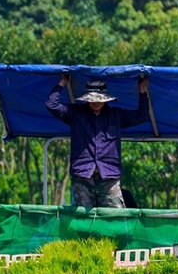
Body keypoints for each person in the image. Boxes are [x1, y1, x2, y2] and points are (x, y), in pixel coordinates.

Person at [45, 73, 143, 209]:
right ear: (87, 98)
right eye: (92, 99)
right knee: (82, 217)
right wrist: (62, 82)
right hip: (82, 173)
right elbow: (51, 105)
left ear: (105, 99)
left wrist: (142, 92)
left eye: (99, 99)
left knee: (114, 217)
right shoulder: (76, 113)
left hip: (109, 174)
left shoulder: (116, 115)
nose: (96, 102)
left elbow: (142, 115)